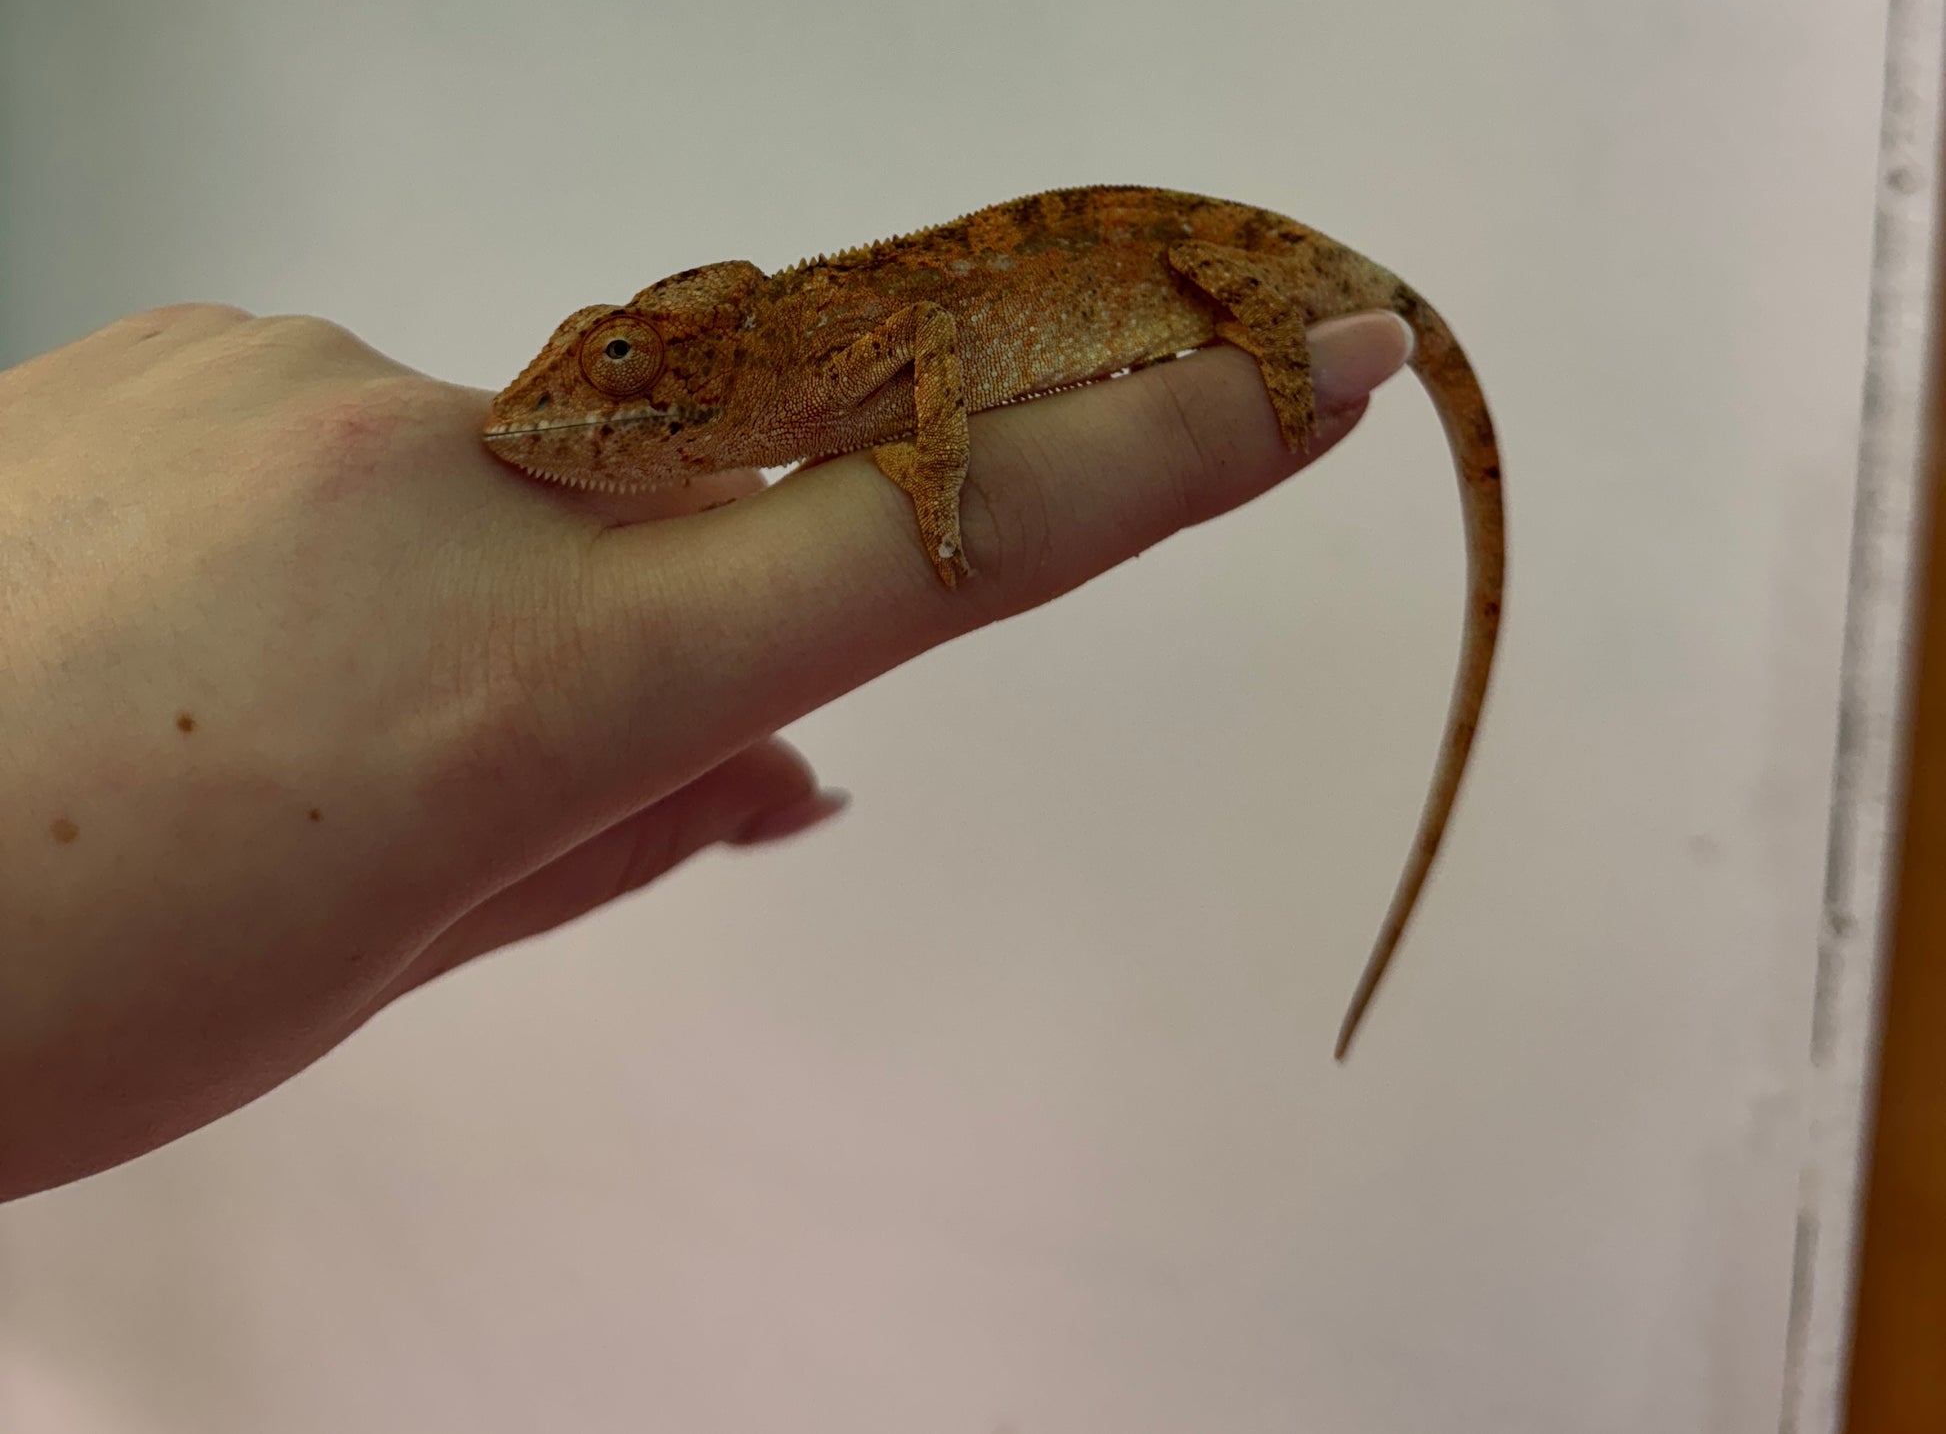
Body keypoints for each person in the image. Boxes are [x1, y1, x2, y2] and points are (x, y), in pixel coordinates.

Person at [0, 296, 1410, 1201]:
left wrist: (940, 472)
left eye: (620, 368)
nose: (583, 401)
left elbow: (934, 341)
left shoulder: (807, 361)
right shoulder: (767, 382)